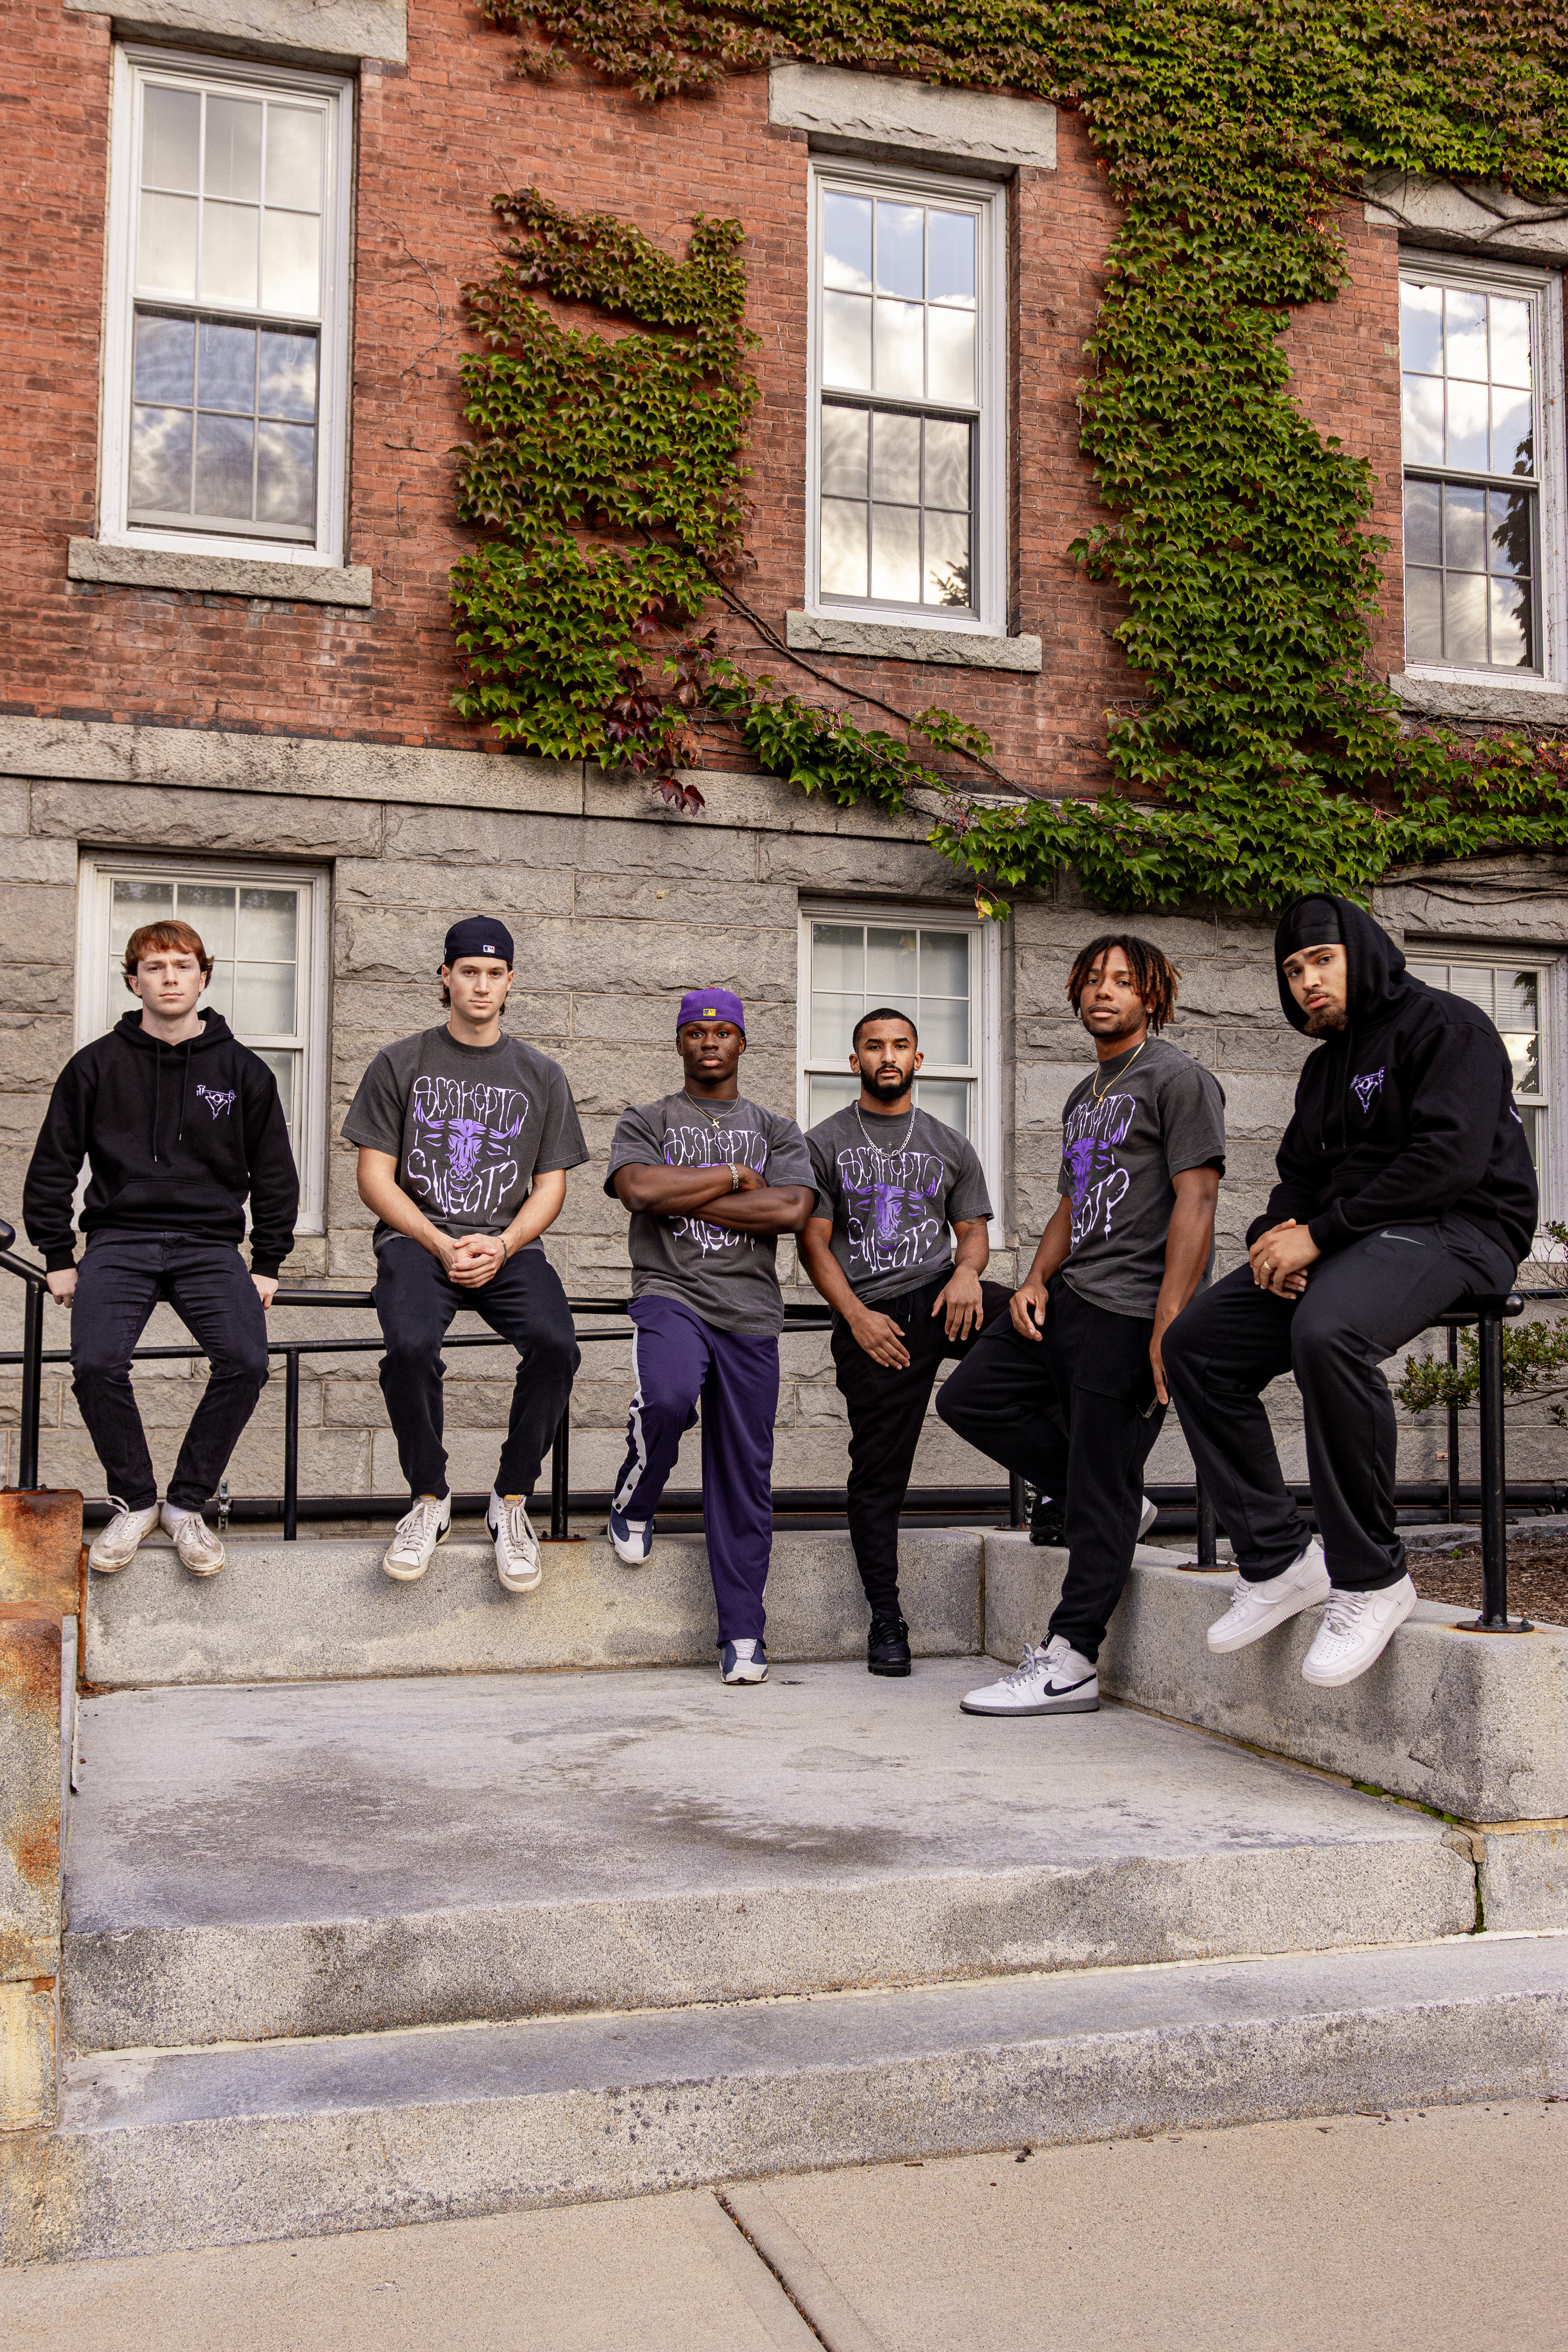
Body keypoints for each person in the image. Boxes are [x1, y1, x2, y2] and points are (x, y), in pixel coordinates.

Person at [1163, 894, 1537, 1688]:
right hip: (1356, 1238)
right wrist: (1276, 1240)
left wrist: (1320, 1234)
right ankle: (1277, 1561)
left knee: (1327, 1331)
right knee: (1195, 1345)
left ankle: (1371, 1577)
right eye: (1292, 969)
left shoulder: (1449, 1027)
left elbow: (1446, 1163)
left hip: (1462, 1227)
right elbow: (1298, 1177)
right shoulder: (1324, 1066)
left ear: (1361, 953)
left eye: (1321, 960)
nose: (1306, 980)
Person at [939, 936, 1225, 1716]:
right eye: (1094, 979)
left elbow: (1197, 1199)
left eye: (1123, 982)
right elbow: (1074, 1199)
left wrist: (1170, 1320)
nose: (1104, 991)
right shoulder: (1083, 1095)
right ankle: (1107, 1497)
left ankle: (1070, 1660)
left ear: (1150, 997)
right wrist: (1035, 1278)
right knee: (970, 1398)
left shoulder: (1177, 1078)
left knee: (1102, 1487)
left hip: (1133, 1307)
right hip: (1071, 1293)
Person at [22, 918, 298, 1578]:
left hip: (209, 1244)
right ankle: (137, 1500)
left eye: (182, 966)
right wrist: (58, 1255)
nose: (169, 978)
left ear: (204, 978)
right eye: (155, 967)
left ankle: (185, 1505)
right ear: (133, 981)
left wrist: (267, 1262)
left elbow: (275, 1174)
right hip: (120, 1239)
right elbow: (53, 1165)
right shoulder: (94, 1065)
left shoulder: (244, 1071)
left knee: (246, 1361)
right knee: (95, 1362)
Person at [344, 918, 587, 1593]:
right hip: (417, 1241)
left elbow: (551, 1186)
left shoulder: (542, 1074)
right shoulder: (400, 1062)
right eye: (469, 971)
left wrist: (504, 1243)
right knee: (410, 1346)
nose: (481, 984)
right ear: (445, 977)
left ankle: (510, 1500)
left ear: (510, 982)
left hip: (507, 1244)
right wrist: (438, 1241)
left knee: (557, 1345)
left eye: (494, 973)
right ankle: (430, 1498)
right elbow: (374, 1178)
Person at [605, 990, 814, 1684]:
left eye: (723, 1032)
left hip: (750, 1312)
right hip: (671, 1293)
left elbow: (790, 1207)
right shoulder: (647, 1118)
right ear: (679, 1043)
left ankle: (744, 1635)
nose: (709, 1042)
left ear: (742, 1043)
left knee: (744, 1473)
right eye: (695, 1032)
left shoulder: (777, 1129)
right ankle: (636, 1501)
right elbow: (638, 1190)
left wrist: (686, 1191)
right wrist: (731, 1178)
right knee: (667, 1397)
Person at [801, 1007, 1011, 1676]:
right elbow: (813, 1243)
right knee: (879, 1474)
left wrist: (968, 1274)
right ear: (854, 1060)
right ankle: (887, 1619)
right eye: (873, 1046)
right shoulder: (823, 1142)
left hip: (945, 1297)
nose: (886, 1056)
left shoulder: (949, 1142)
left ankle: (1064, 1487)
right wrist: (855, 1316)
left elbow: (972, 1231)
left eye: (899, 1046)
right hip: (876, 1320)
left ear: (918, 1060)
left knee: (1046, 1327)